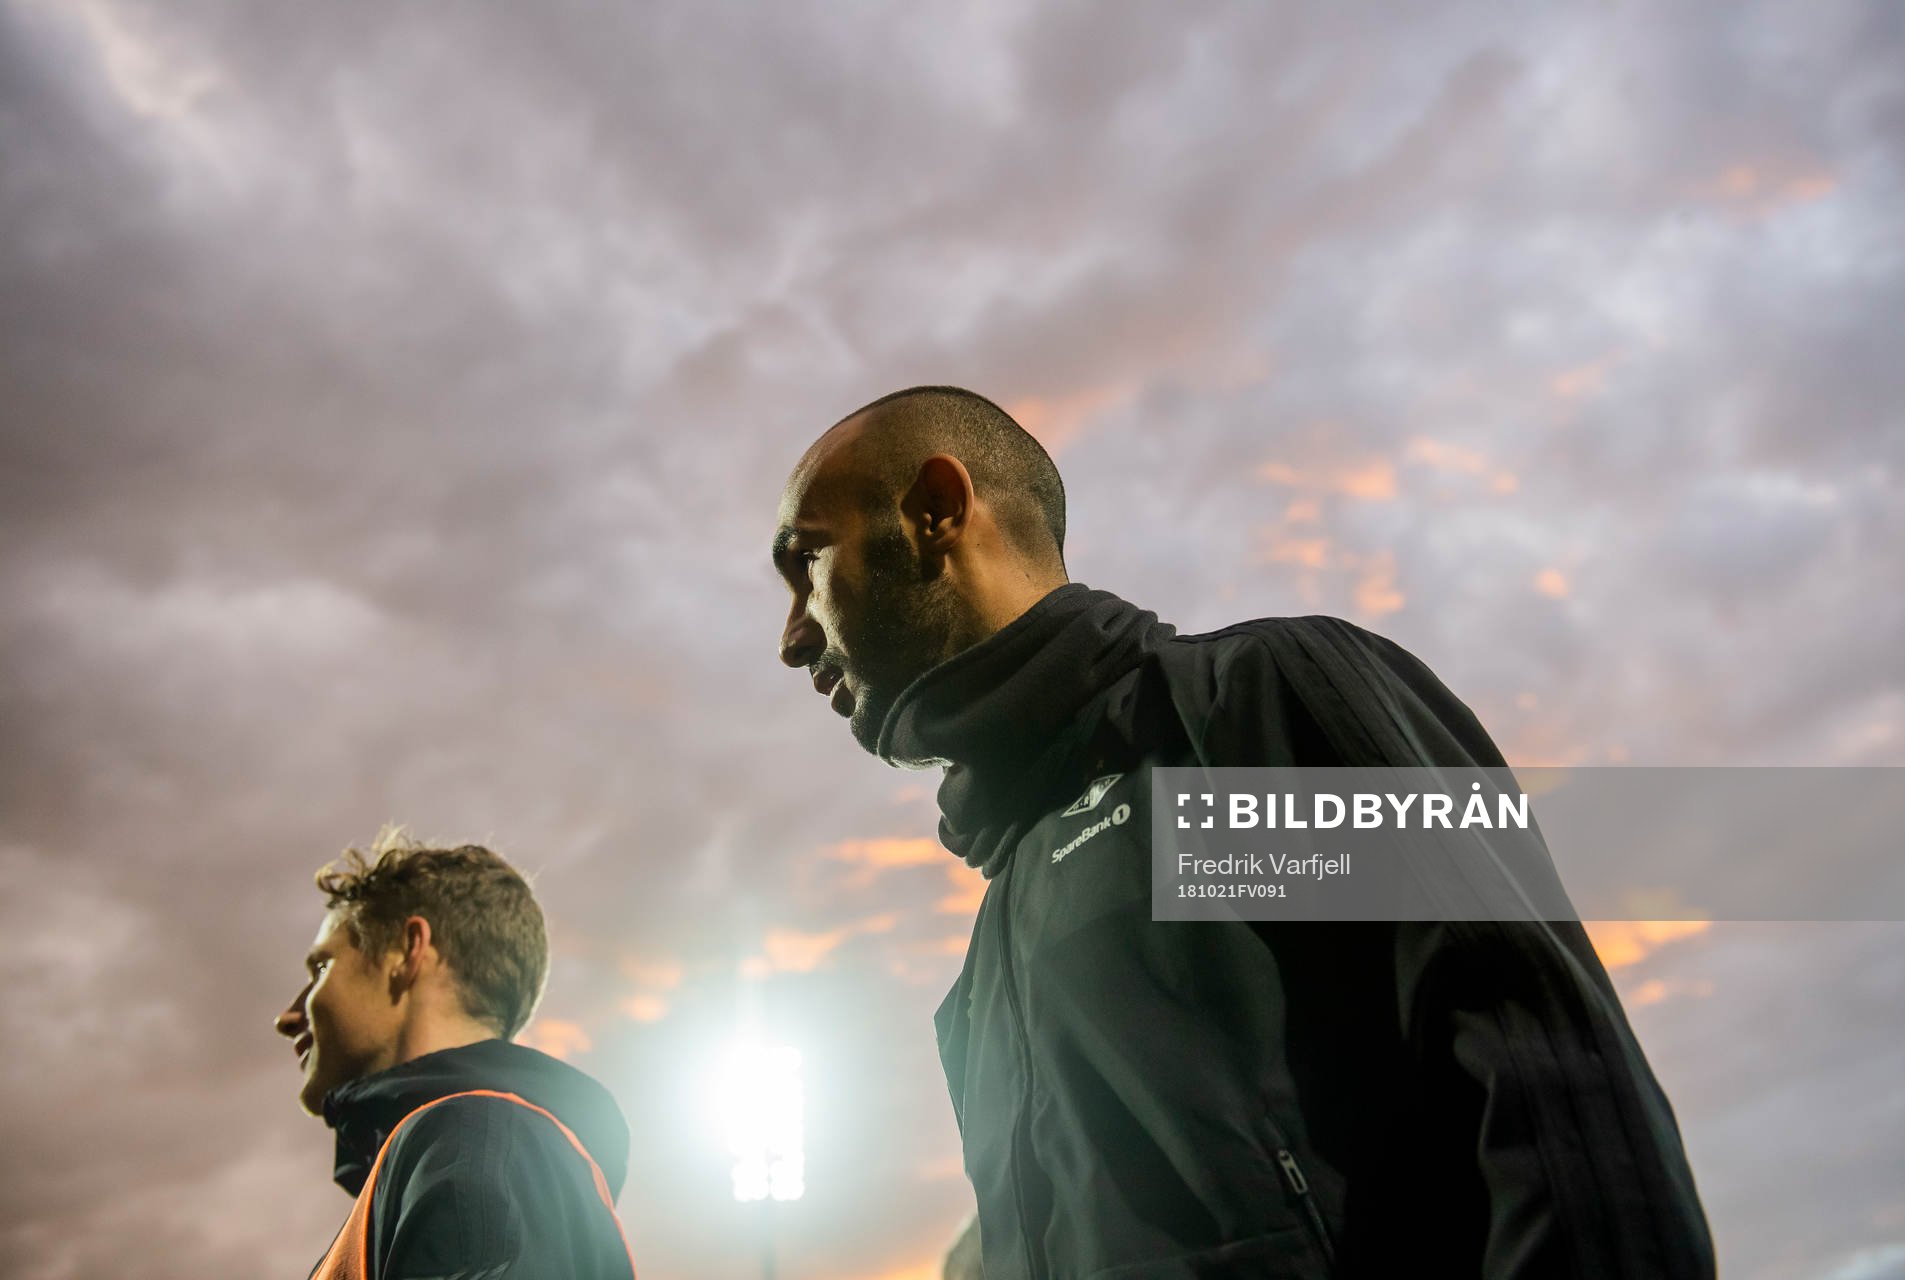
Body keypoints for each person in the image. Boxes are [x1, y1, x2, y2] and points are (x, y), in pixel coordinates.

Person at [772, 386, 1715, 1277]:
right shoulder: (994, 942)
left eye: (805, 561)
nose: (791, 636)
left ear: (936, 510)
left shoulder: (1243, 714)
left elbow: (1560, 1102)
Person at [275, 828, 637, 1279]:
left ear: (409, 951)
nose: (287, 1017)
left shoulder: (477, 1136)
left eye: (323, 967)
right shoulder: (477, 1148)